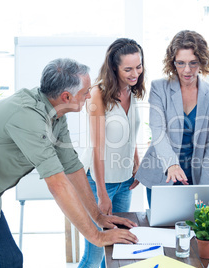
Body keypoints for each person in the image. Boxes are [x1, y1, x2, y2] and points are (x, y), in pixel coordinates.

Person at [0, 58, 138, 268]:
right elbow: (57, 183)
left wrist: (98, 217)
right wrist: (97, 237)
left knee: (9, 261)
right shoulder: (27, 117)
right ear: (66, 96)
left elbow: (72, 167)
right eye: (85, 92)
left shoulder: (56, 113)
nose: (90, 95)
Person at [78, 38, 145, 268]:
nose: (134, 73)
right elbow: (98, 147)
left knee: (119, 251)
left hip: (125, 180)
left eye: (138, 66)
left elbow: (130, 133)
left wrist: (136, 165)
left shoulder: (133, 92)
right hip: (99, 181)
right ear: (114, 68)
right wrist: (102, 193)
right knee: (96, 252)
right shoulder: (98, 94)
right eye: (128, 69)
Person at [135, 30, 209, 206]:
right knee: (162, 229)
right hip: (162, 173)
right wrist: (171, 164)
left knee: (197, 229)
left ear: (202, 62)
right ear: (173, 63)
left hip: (195, 176)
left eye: (193, 63)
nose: (187, 70)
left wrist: (206, 186)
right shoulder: (160, 88)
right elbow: (158, 130)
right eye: (180, 63)